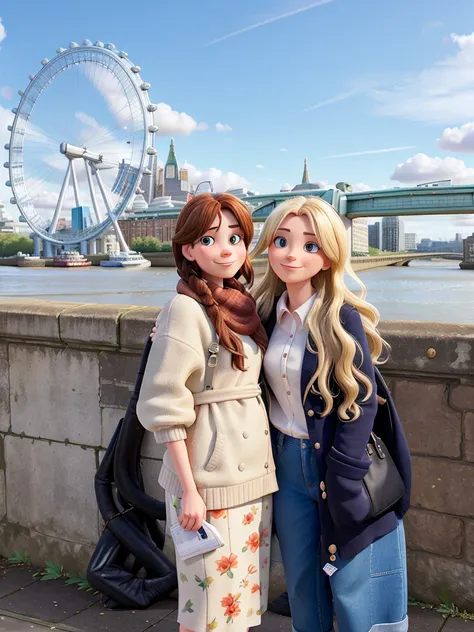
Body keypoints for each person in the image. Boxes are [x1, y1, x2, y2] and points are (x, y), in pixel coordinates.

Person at [251, 196, 412, 632]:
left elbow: (360, 400)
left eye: (309, 245)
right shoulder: (264, 312)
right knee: (303, 580)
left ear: (327, 255)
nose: (291, 254)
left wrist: (343, 475)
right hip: (283, 462)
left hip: (337, 463)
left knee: (357, 578)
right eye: (282, 240)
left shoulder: (340, 318)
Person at [137, 193, 278, 632]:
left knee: (241, 602)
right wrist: (190, 490)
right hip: (208, 481)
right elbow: (165, 406)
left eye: (236, 237)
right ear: (187, 249)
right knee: (206, 608)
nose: (226, 249)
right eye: (210, 238)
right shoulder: (184, 308)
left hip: (252, 476)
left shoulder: (242, 303)